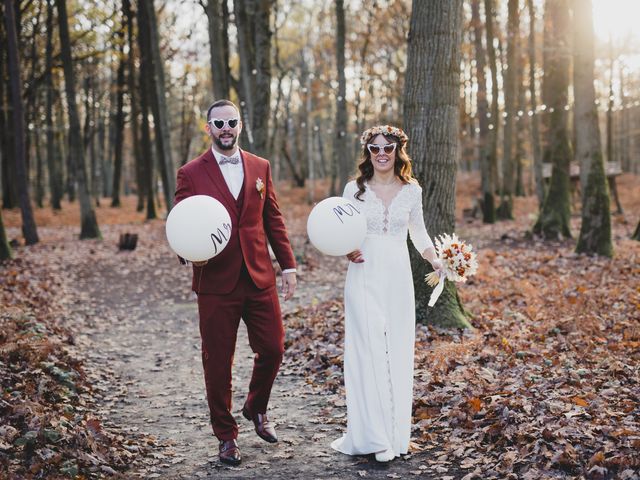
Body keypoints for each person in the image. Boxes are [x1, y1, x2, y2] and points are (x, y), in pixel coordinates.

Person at [174, 99, 297, 466]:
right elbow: (180, 221)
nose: (225, 128)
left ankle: (256, 407)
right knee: (218, 362)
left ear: (240, 125)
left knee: (273, 348)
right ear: (208, 128)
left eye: (231, 122)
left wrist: (287, 265)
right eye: (218, 123)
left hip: (259, 276)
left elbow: (272, 218)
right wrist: (189, 252)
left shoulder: (260, 166)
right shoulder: (191, 172)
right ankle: (226, 436)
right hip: (215, 280)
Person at [330, 125, 442, 462]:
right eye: (375, 148)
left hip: (397, 275)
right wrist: (346, 248)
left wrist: (437, 259)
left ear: (398, 152)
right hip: (363, 272)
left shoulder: (412, 191)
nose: (381, 154)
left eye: (387, 148)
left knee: (397, 349)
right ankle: (373, 437)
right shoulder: (354, 190)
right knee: (367, 351)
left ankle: (395, 433)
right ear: (367, 152)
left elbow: (418, 233)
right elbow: (340, 230)